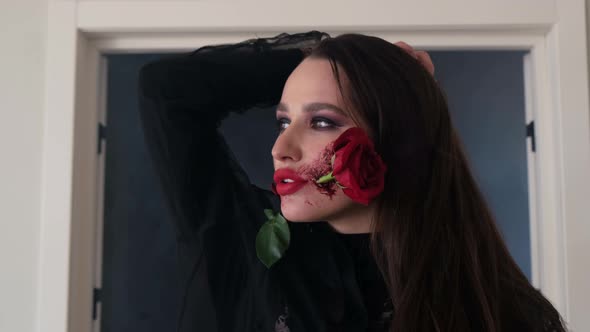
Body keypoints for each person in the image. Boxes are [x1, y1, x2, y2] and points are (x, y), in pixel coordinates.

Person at [137, 31, 566, 332]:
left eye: (321, 121)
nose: (281, 147)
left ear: (397, 139)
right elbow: (167, 90)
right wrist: (330, 57)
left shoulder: (500, 307)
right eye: (283, 120)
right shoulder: (241, 239)